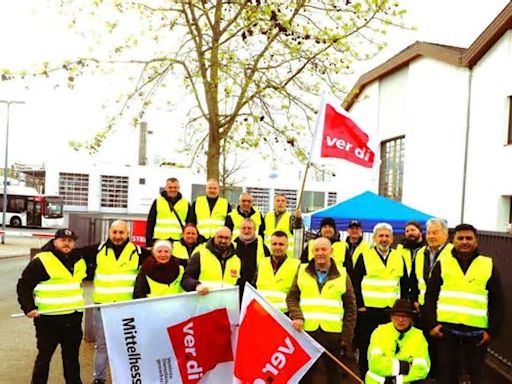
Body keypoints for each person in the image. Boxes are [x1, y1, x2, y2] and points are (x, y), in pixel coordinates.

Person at [424, 224, 503, 384]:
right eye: (460, 238)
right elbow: (430, 297)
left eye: (469, 238)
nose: (465, 241)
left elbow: (497, 301)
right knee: (446, 374)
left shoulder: (487, 264)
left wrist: (491, 331)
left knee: (477, 375)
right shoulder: (443, 263)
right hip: (446, 331)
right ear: (453, 241)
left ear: (476, 241)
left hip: (476, 333)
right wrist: (432, 324)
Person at [78, 220, 150, 384]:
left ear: (127, 234)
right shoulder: (97, 249)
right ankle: (99, 379)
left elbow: (162, 259)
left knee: (127, 347)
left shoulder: (139, 252)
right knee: (102, 347)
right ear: (109, 233)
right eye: (114, 232)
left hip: (127, 308)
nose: (118, 236)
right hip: (102, 307)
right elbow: (69, 252)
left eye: (121, 232)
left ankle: (126, 379)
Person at [17, 228, 85, 384]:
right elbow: (24, 285)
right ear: (55, 242)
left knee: (72, 360)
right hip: (48, 320)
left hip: (73, 318)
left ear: (73, 243)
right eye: (63, 240)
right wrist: (28, 307)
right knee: (44, 358)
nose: (66, 243)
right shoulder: (42, 260)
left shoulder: (79, 259)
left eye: (70, 241)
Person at [287, 237, 357, 384]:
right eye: (317, 250)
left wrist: (346, 337)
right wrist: (297, 316)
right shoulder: (302, 271)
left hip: (333, 335)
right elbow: (292, 297)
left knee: (333, 377)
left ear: (331, 251)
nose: (320, 253)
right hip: (306, 333)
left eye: (324, 249)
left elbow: (351, 307)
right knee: (305, 376)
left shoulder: (342, 274)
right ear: (312, 252)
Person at [352, 222, 409, 378]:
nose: (384, 239)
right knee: (367, 346)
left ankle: (388, 377)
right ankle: (365, 376)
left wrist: (402, 309)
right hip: (369, 312)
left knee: (390, 346)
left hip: (390, 313)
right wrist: (360, 305)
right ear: (375, 238)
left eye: (387, 236)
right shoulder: (365, 256)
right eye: (381, 236)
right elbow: (355, 282)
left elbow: (404, 284)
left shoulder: (399, 257)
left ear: (392, 239)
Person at [408, 218, 452, 379]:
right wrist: (414, 300)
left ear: (446, 234)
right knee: (423, 350)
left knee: (442, 357)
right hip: (422, 310)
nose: (431, 236)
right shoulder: (420, 253)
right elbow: (414, 279)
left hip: (443, 312)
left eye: (436, 232)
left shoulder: (452, 253)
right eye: (429, 232)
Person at [366, 299, 430, 383]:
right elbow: (374, 364)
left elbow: (422, 369)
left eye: (404, 316)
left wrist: (396, 380)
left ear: (410, 318)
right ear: (391, 317)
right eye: (397, 315)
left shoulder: (418, 337)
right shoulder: (380, 332)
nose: (400, 320)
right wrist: (403, 366)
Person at [181, 226, 240, 294]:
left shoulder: (236, 260)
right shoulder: (200, 255)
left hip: (227, 303)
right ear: (214, 237)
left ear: (231, 239)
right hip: (204, 302)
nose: (223, 241)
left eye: (226, 238)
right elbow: (185, 280)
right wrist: (197, 285)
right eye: (220, 237)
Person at [256, 230, 299, 313]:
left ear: (287, 246)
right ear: (270, 245)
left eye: (281, 244)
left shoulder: (296, 265)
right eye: (274, 244)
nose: (277, 247)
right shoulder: (262, 263)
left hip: (284, 315)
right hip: (261, 312)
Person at [145, 177, 191, 246]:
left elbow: (189, 224)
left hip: (178, 241)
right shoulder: (158, 201)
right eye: (170, 187)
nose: (173, 189)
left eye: (175, 187)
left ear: (179, 188)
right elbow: (150, 223)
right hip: (159, 240)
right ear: (166, 188)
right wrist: (149, 242)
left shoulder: (186, 203)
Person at [234, 218, 270, 300]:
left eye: (249, 228)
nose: (246, 231)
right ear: (239, 229)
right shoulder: (232, 246)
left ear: (255, 230)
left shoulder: (263, 248)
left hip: (254, 289)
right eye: (244, 228)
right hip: (235, 289)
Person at [263, 193, 302, 258]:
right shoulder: (267, 216)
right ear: (274, 203)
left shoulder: (291, 217)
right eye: (278, 201)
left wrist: (298, 218)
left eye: (283, 201)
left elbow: (297, 226)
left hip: (285, 257)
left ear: (286, 204)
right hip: (268, 256)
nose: (280, 203)